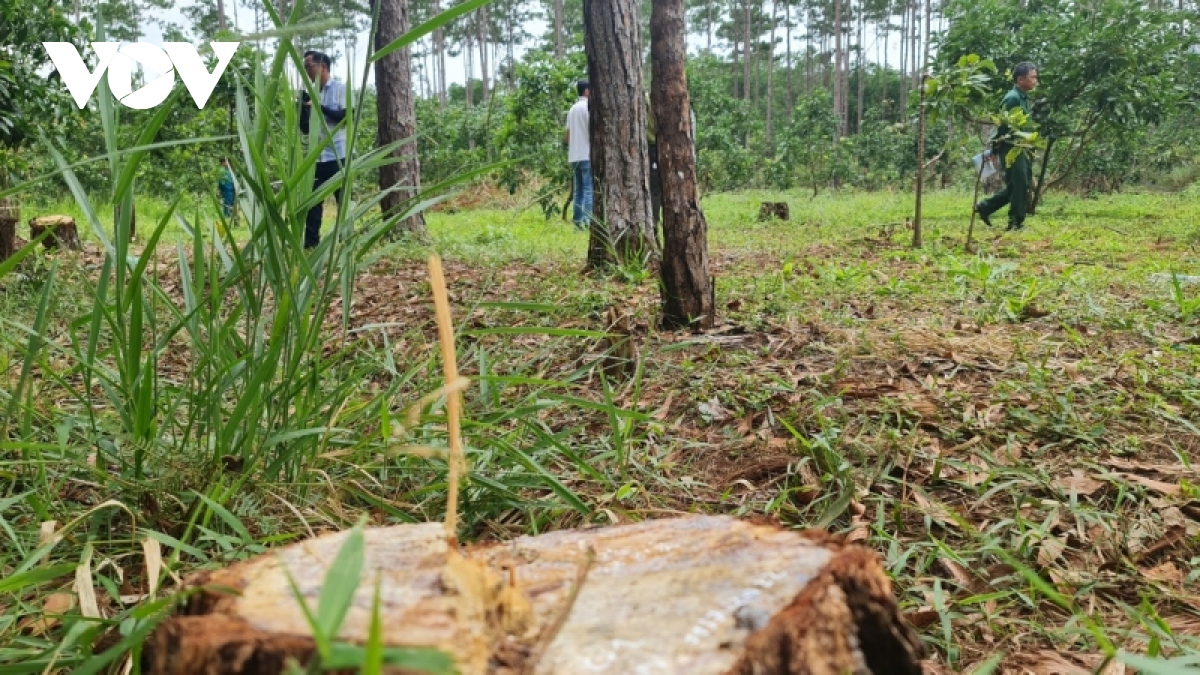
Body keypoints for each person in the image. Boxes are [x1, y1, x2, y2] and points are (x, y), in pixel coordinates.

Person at [975, 62, 1038, 232]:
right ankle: (1015, 223)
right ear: (1020, 79)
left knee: (1019, 185)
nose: (1035, 81)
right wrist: (995, 149)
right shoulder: (1012, 98)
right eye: (1032, 77)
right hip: (1012, 148)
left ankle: (985, 207)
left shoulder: (1023, 98)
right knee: (1019, 185)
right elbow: (1003, 126)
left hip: (1022, 148)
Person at [299, 50, 348, 249]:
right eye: (304, 68)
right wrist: (303, 110)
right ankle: (310, 245)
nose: (307, 71)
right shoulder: (310, 93)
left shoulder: (340, 89)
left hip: (338, 155)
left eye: (309, 66)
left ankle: (346, 242)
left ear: (323, 66)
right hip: (316, 157)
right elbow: (305, 129)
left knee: (342, 201)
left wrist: (319, 107)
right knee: (313, 203)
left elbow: (346, 116)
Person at [564, 79, 591, 231]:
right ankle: (588, 221)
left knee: (578, 190)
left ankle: (577, 222)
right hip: (587, 154)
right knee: (588, 189)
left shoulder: (572, 109)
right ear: (586, 91)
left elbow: (567, 136)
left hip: (574, 156)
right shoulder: (589, 107)